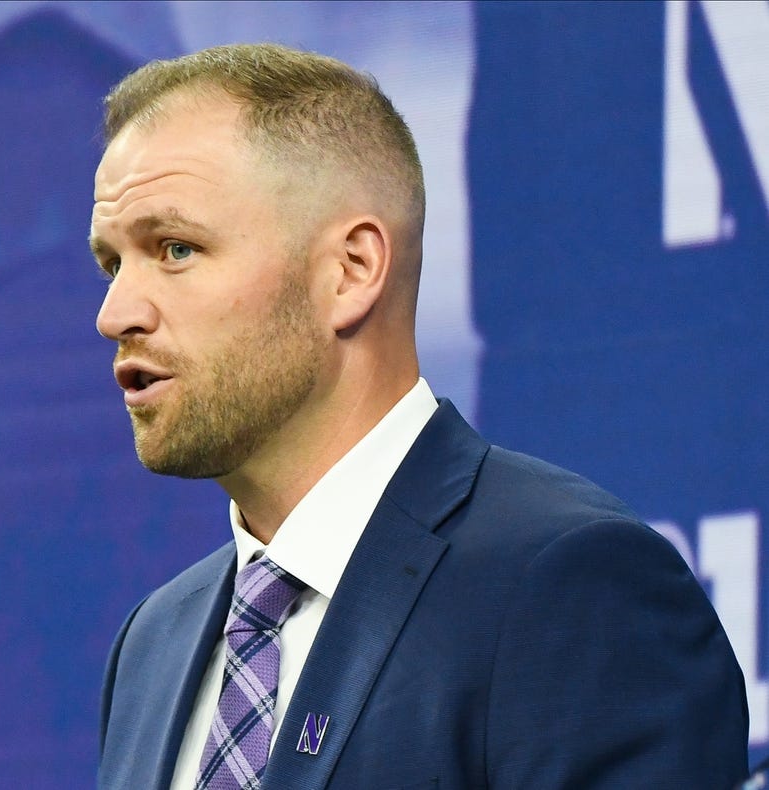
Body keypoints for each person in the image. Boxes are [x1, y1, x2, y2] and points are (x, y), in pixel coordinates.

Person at [89, 43, 749, 789]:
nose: (116, 314)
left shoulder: (568, 587)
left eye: (175, 249)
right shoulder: (153, 644)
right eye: (112, 264)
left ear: (352, 270)